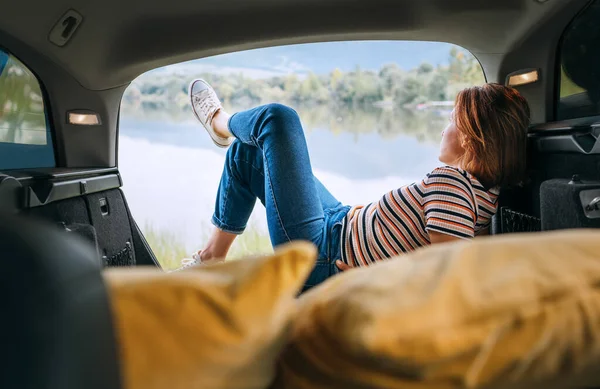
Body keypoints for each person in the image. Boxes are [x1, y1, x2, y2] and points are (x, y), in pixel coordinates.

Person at [184, 79, 530, 291]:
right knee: (247, 152)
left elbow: (442, 281)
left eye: (452, 121)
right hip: (342, 222)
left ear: (470, 139)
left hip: (324, 255)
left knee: (278, 120)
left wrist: (371, 285)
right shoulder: (486, 197)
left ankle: (219, 122)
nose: (444, 129)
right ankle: (212, 257)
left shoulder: (452, 183)